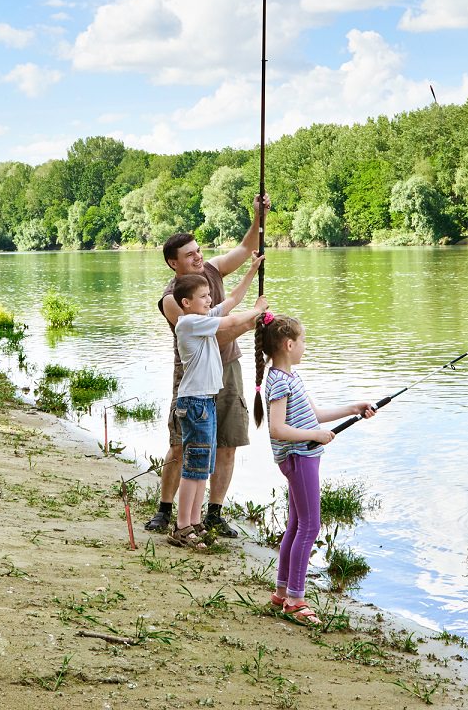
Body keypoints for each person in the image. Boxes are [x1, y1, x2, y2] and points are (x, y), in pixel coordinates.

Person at [147, 194, 270, 537]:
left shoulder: (213, 269)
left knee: (227, 441)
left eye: (199, 250)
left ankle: (213, 513)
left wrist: (257, 216)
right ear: (174, 263)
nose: (198, 257)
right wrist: (251, 321)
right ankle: (166, 510)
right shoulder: (174, 300)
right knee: (180, 445)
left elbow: (246, 249)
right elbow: (217, 331)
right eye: (190, 255)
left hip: (227, 368)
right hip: (192, 378)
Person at [261, 312, 376, 625]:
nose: (304, 346)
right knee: (310, 526)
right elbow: (277, 429)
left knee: (297, 525)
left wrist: (353, 408)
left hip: (303, 456)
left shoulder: (288, 377)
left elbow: (316, 414)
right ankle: (296, 600)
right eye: (303, 341)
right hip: (299, 457)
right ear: (288, 345)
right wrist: (314, 436)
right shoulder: (280, 384)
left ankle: (282, 593)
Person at [169, 260, 267, 549]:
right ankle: (181, 526)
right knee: (194, 469)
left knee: (204, 466)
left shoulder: (201, 316)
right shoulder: (189, 323)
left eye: (209, 296)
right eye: (203, 297)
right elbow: (230, 321)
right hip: (195, 403)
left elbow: (232, 302)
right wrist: (258, 311)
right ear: (186, 303)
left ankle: (195, 521)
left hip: (206, 403)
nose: (209, 300)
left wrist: (251, 271)